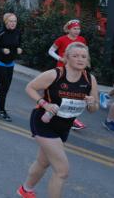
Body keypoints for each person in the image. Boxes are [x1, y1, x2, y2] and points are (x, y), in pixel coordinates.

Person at [17, 43, 98, 198]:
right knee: (62, 171)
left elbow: (93, 109)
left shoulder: (90, 79)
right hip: (44, 123)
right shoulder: (55, 74)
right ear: (66, 58)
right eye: (75, 56)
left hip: (64, 126)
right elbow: (30, 87)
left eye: (83, 56)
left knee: (43, 162)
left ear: (87, 60)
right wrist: (44, 104)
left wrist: (91, 102)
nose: (80, 59)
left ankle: (25, 190)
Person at [48, 19, 89, 131]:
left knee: (73, 94)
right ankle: (52, 112)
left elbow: (85, 52)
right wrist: (60, 58)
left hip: (76, 70)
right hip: (62, 70)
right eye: (75, 29)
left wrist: (83, 63)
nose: (77, 31)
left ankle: (71, 119)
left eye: (79, 29)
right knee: (59, 93)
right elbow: (50, 51)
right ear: (69, 29)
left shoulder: (82, 39)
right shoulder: (61, 39)